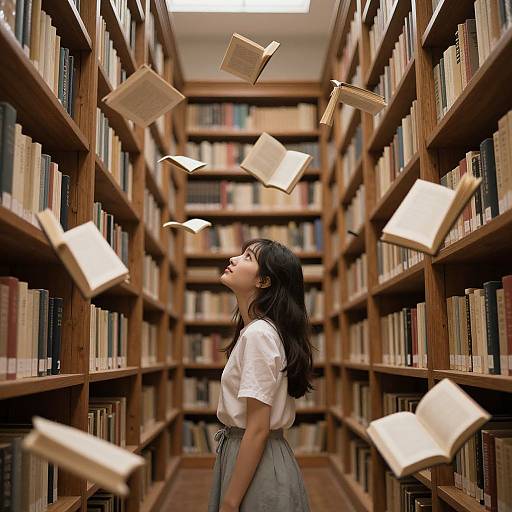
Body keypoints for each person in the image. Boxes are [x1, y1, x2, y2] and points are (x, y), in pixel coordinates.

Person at [207, 238, 314, 512]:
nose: (233, 259)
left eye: (247, 257)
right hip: (253, 455)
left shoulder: (259, 335)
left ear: (264, 281)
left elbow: (257, 428)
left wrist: (230, 503)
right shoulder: (259, 331)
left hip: (256, 457)